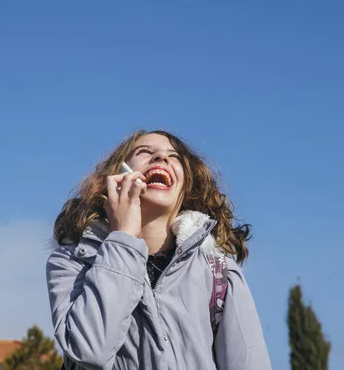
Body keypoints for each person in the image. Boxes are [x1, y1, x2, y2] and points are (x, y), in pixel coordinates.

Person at [46, 130, 271, 370]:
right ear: (117, 175)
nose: (162, 158)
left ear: (188, 188)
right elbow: (90, 351)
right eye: (144, 152)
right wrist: (123, 237)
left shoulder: (220, 274)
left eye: (174, 157)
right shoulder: (72, 262)